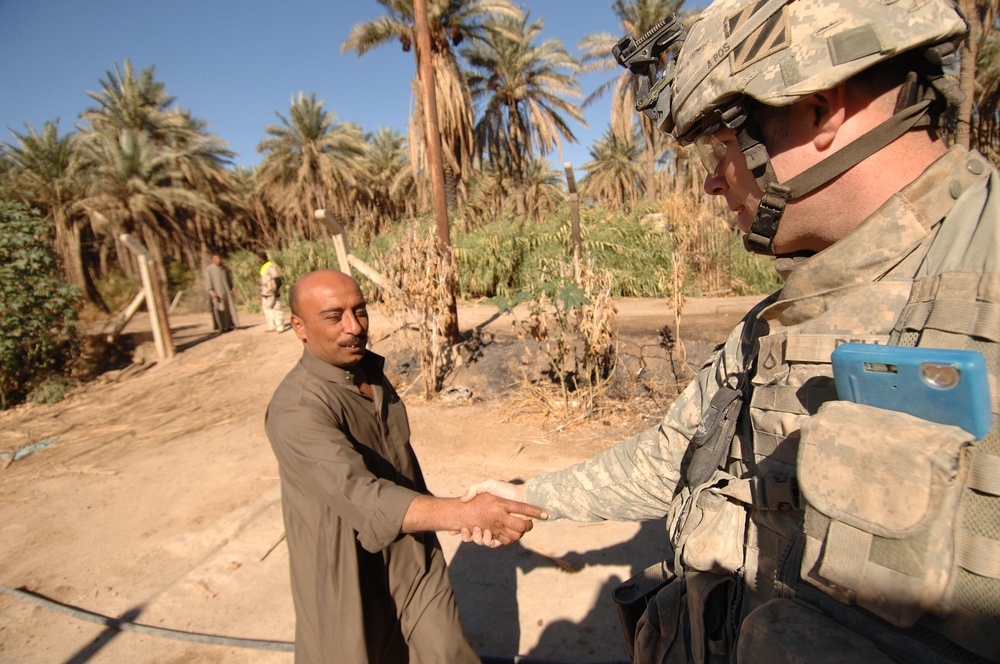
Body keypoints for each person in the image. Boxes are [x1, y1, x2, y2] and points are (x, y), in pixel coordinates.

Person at [464, 1, 999, 662]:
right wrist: (529, 496)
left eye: (723, 147)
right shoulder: (784, 313)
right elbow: (676, 456)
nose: (715, 181)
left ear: (821, 108)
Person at [265, 269, 547, 664]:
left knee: (447, 651)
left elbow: (401, 468)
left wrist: (456, 516)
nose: (354, 327)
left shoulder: (369, 374)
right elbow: (362, 497)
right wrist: (465, 510)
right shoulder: (296, 409)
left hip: (411, 548)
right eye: (334, 316)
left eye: (359, 311)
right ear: (299, 326)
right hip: (344, 567)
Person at [203, 251, 237, 333]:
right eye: (216, 258)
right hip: (216, 293)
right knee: (219, 309)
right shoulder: (209, 270)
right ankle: (221, 327)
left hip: (226, 292)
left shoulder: (224, 268)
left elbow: (229, 279)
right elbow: (208, 283)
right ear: (212, 259)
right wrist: (211, 292)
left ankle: (230, 325)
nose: (218, 260)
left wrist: (232, 287)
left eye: (219, 258)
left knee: (228, 309)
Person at [256, 250, 286, 332]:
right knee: (267, 308)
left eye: (258, 258)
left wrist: (277, 291)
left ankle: (279, 326)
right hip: (266, 292)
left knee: (276, 307)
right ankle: (272, 325)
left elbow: (277, 279)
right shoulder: (264, 267)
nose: (257, 260)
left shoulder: (270, 266)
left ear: (261, 258)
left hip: (272, 291)